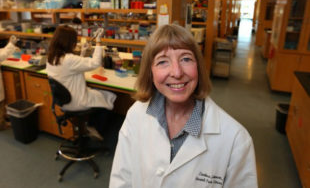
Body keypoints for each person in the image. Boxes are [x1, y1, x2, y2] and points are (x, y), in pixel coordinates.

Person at [110, 24, 258, 187]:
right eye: (162, 62)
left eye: (186, 59)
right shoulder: (136, 114)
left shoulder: (235, 139)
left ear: (198, 67)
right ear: (150, 72)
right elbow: (121, 179)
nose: (177, 72)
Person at [46, 25, 116, 135]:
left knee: (98, 92)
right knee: (110, 96)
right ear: (69, 42)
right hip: (77, 102)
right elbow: (95, 63)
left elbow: (73, 67)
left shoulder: (52, 57)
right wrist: (98, 43)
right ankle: (96, 129)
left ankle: (88, 126)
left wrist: (82, 53)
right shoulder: (69, 59)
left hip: (63, 102)